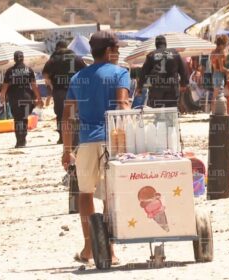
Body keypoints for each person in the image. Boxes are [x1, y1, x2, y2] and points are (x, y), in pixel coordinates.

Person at [62, 31, 130, 264]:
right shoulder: (121, 73)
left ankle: (89, 247)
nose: (119, 54)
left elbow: (68, 116)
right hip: (114, 139)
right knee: (111, 196)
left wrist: (66, 149)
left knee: (85, 193)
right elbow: (122, 104)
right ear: (110, 51)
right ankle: (110, 250)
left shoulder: (77, 78)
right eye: (118, 50)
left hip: (87, 140)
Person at [42, 40, 86, 144]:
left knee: (60, 114)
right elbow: (85, 72)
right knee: (75, 113)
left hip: (59, 91)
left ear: (57, 48)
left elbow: (45, 75)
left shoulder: (53, 59)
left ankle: (62, 137)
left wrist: (51, 86)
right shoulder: (77, 58)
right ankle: (75, 138)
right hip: (75, 90)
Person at [0, 51, 43, 148]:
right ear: (23, 58)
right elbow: (34, 86)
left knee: (17, 119)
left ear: (14, 59)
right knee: (24, 119)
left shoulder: (10, 71)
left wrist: (2, 97)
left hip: (14, 97)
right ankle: (23, 139)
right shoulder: (29, 70)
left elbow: (5, 86)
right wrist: (39, 98)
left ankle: (19, 140)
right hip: (26, 97)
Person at [137, 35, 188, 108]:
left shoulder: (151, 55)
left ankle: (159, 118)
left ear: (156, 45)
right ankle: (171, 119)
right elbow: (183, 69)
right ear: (165, 43)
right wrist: (183, 83)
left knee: (158, 111)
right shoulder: (175, 53)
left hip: (156, 88)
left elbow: (143, 72)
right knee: (171, 110)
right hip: (172, 87)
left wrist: (140, 87)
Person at [210, 35, 229, 113]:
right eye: (225, 44)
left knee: (215, 96)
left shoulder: (212, 52)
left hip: (214, 74)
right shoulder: (221, 52)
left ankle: (213, 113)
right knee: (218, 95)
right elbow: (221, 68)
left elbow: (213, 66)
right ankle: (219, 113)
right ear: (221, 44)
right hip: (219, 75)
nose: (225, 46)